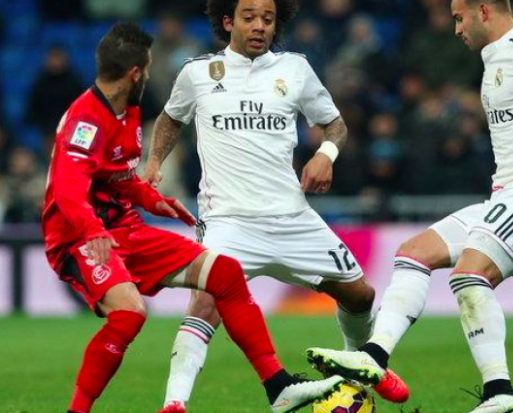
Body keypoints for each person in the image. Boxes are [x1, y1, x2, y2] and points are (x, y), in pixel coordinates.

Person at [306, 0, 513, 413]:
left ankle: (500, 392)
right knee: (413, 253)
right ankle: (374, 358)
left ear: (484, 11)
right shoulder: (495, 59)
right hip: (509, 192)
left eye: (459, 18)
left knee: (468, 276)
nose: (456, 27)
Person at [41, 22, 344, 413]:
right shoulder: (86, 120)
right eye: (147, 68)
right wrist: (92, 230)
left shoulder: (127, 111)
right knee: (130, 315)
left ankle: (278, 386)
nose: (149, 75)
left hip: (123, 227)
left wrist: (152, 200)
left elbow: (117, 176)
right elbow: (67, 189)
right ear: (136, 72)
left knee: (225, 274)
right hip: (79, 236)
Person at [142, 0, 405, 412]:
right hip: (228, 220)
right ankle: (174, 403)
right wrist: (154, 162)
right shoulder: (197, 73)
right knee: (205, 301)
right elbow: (171, 119)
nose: (259, 25)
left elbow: (335, 125)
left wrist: (325, 154)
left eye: (267, 18)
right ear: (228, 21)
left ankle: (361, 371)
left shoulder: (295, 69)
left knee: (360, 296)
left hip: (290, 216)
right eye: (249, 17)